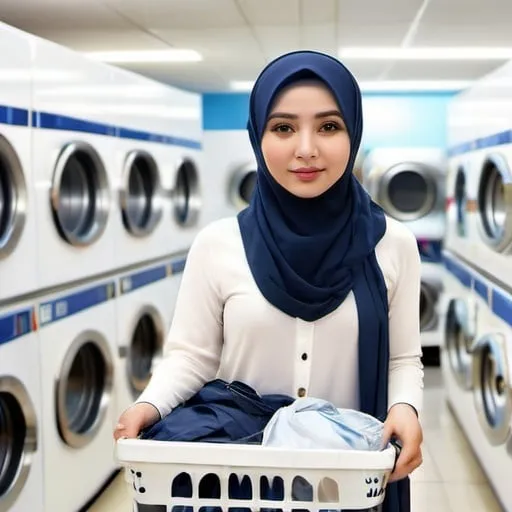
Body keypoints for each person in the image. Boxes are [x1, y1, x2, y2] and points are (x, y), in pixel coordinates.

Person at [114, 50, 424, 511]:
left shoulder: (392, 244)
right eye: (282, 127)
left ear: (353, 134)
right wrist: (150, 405)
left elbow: (402, 358)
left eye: (328, 126)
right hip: (238, 483)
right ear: (258, 136)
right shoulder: (218, 244)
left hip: (344, 482)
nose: (305, 148)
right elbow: (191, 357)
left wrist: (405, 408)